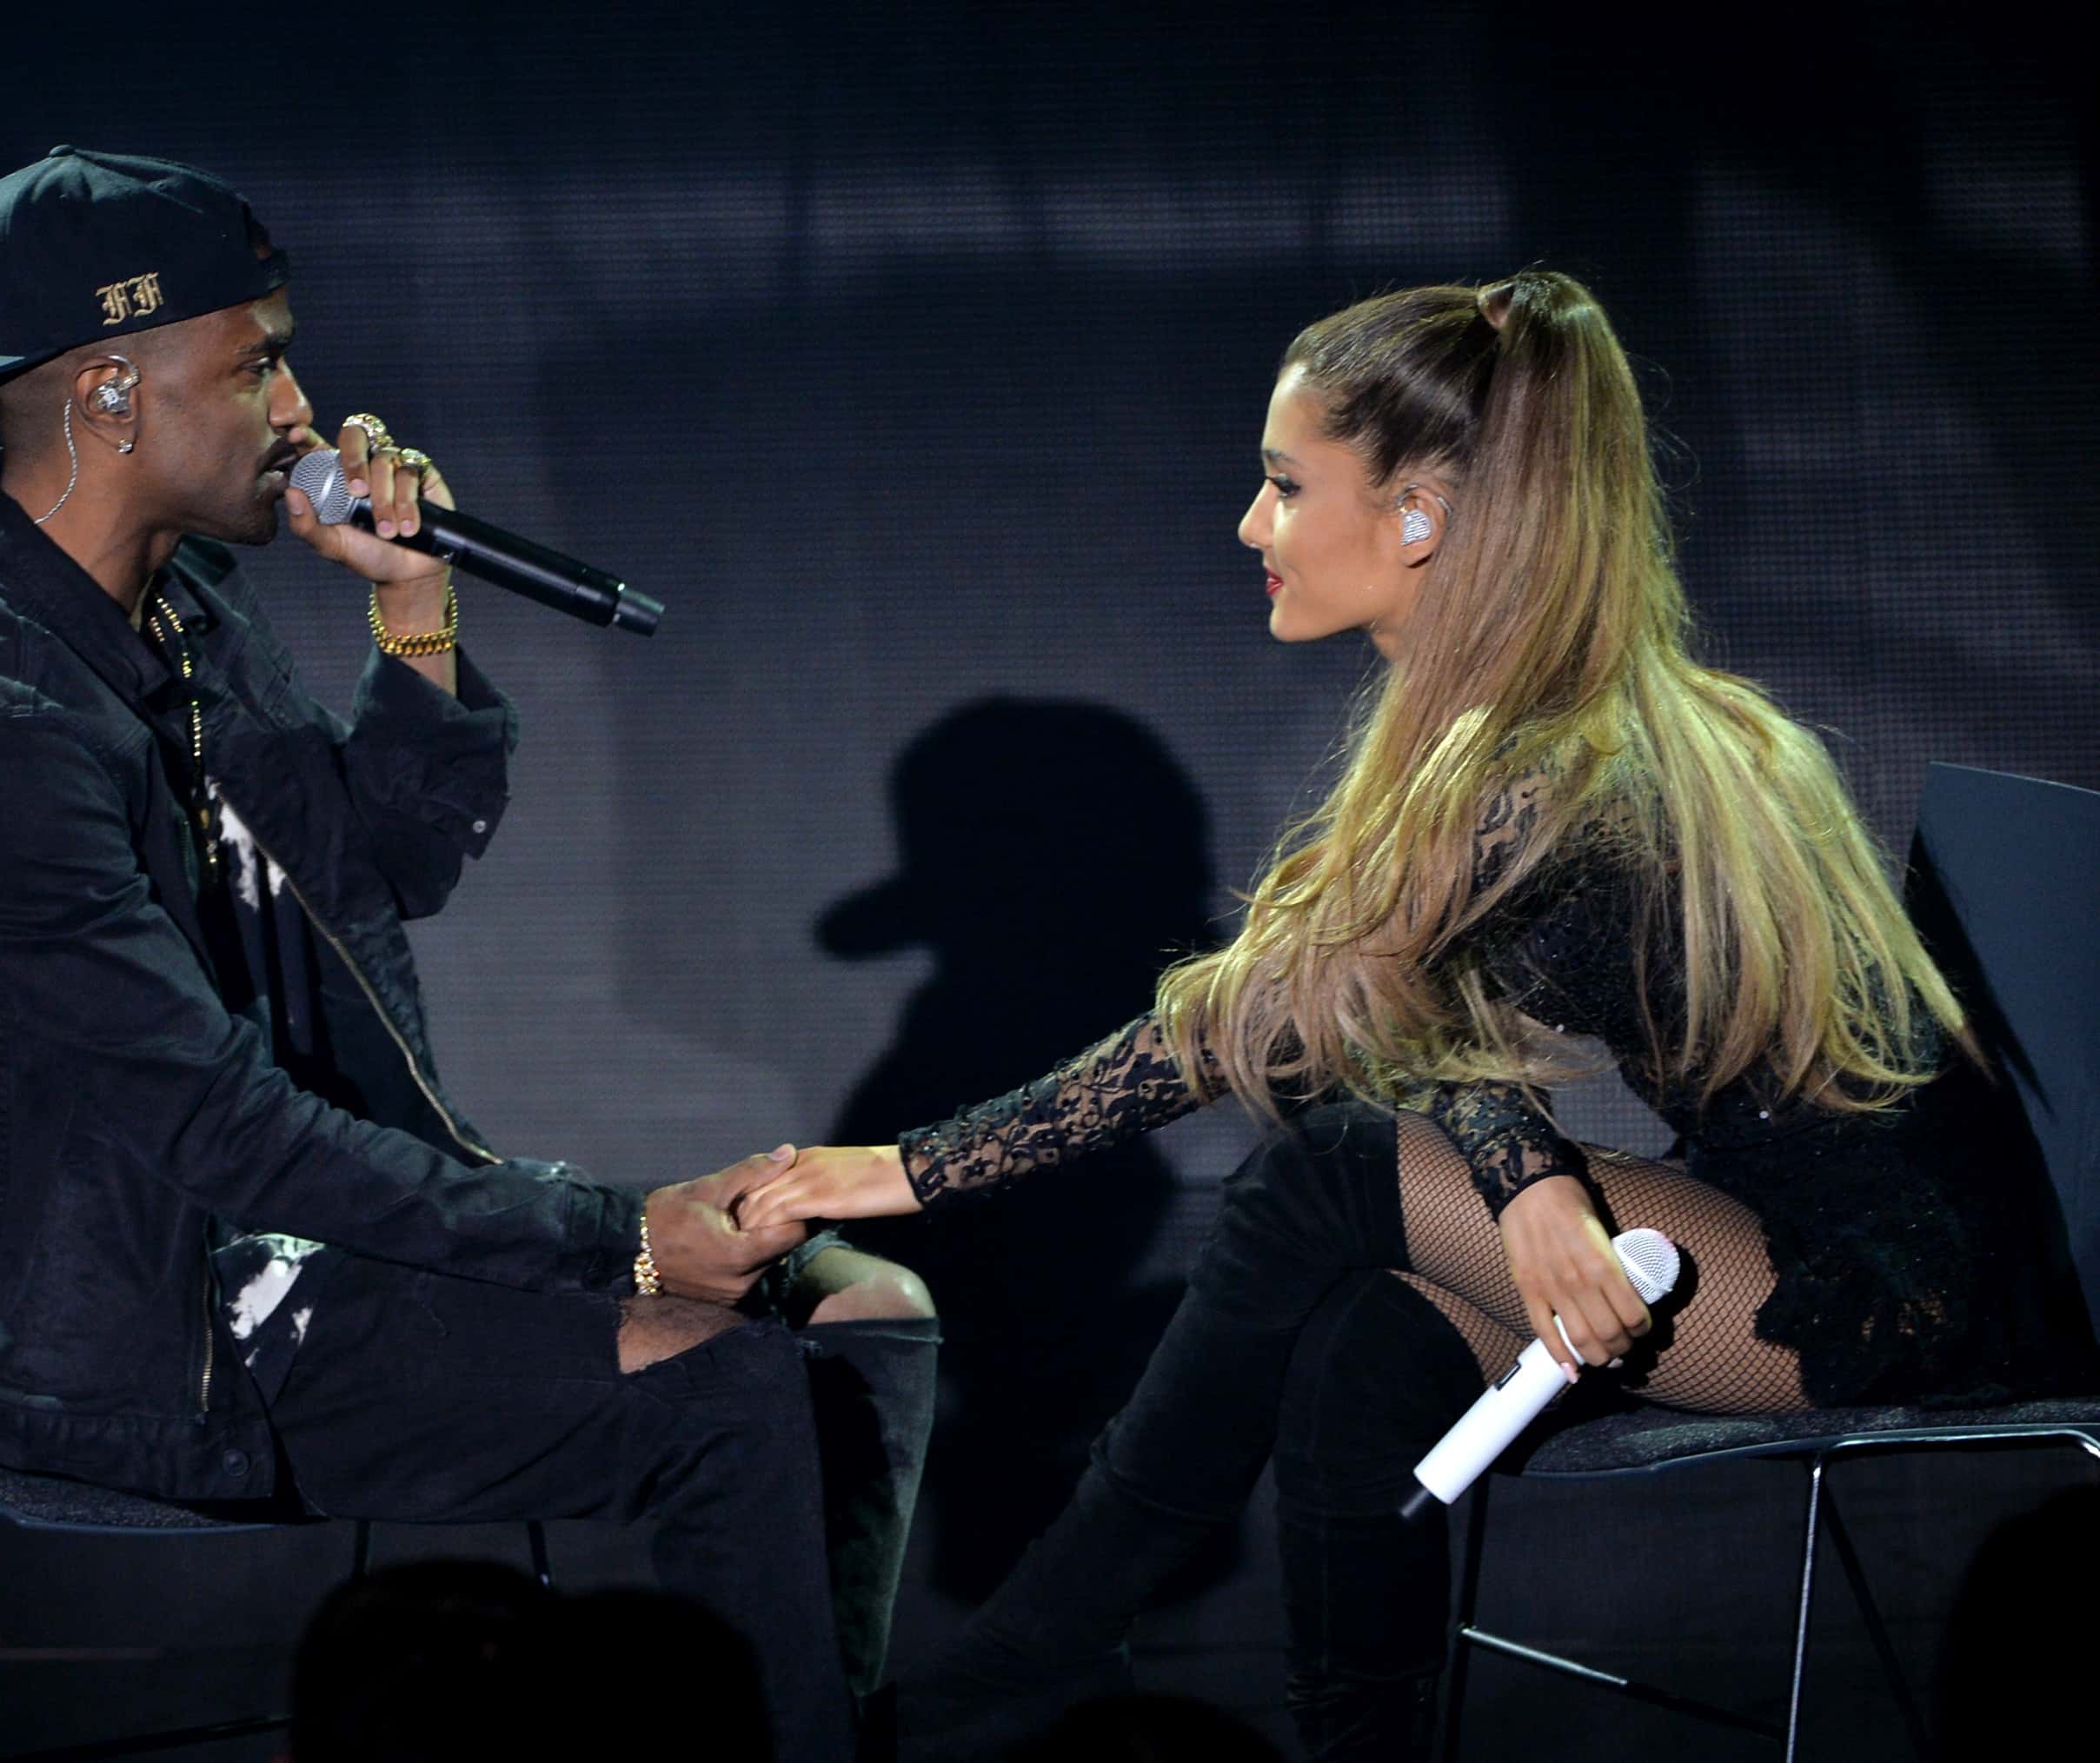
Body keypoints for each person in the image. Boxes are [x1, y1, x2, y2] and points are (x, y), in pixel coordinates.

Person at [741, 270, 2090, 1759]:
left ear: (1421, 518)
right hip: (1779, 1229)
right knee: (1364, 1351)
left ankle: (1036, 1650)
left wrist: (1524, 1178)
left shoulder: (1559, 766)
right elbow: (1272, 1017)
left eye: (1282, 484)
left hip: (1882, 1289)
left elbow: (1354, 1041)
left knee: (1325, 1170)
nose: (1249, 527)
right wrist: (903, 1172)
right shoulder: (1512, 737)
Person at [0, 147, 934, 1763]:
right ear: (110, 394)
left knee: (865, 1306)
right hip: (137, 1332)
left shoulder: (181, 611)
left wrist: (413, 613)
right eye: (256, 365)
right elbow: (218, 1132)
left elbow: (380, 870)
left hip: (304, 1239)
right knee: (727, 1380)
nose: (302, 411)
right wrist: (620, 1244)